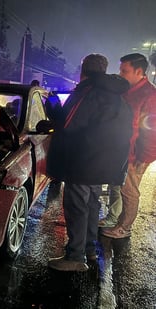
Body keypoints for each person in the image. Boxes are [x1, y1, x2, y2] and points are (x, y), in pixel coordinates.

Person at [45, 54, 132, 271]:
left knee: (77, 208)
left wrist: (54, 107)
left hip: (82, 161)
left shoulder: (86, 92)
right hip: (104, 164)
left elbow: (69, 124)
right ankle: (90, 250)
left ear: (82, 70)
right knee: (93, 206)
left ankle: (75, 257)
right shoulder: (117, 96)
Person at [100, 53, 156, 238]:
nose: (120, 73)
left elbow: (151, 132)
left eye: (125, 70)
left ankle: (125, 227)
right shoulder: (128, 90)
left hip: (135, 154)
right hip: (123, 149)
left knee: (129, 191)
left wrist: (143, 157)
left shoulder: (149, 95)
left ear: (139, 71)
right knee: (121, 187)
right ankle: (117, 221)